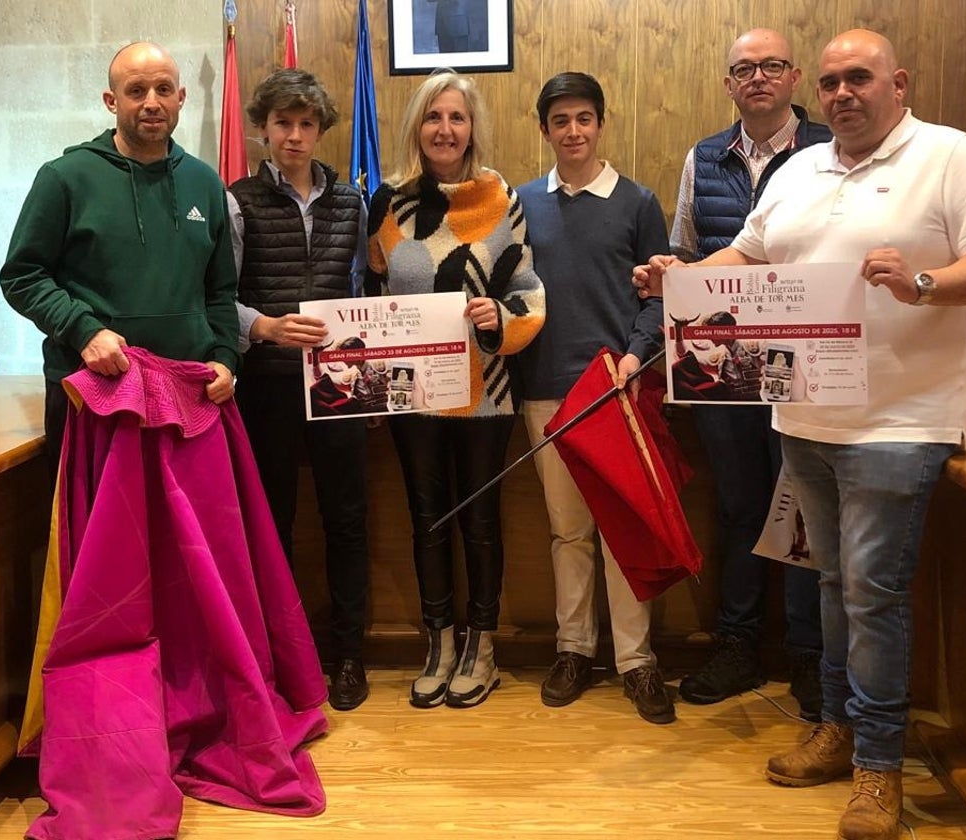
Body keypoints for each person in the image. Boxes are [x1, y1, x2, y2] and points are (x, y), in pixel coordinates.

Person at [634, 29, 966, 840]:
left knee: (874, 592)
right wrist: (683, 277)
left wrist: (923, 284)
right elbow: (745, 252)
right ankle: (837, 729)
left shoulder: (950, 155)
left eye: (860, 79)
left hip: (901, 418)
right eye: (835, 81)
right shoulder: (800, 169)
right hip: (803, 411)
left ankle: (878, 766)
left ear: (898, 84)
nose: (844, 93)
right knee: (835, 585)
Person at [365, 70, 545, 709]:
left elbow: (527, 290)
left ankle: (483, 644)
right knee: (425, 517)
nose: (445, 129)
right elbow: (373, 295)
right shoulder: (388, 202)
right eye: (433, 117)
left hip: (485, 392)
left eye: (457, 118)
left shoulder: (503, 200)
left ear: (473, 129)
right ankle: (439, 639)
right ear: (418, 126)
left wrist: (503, 316)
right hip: (413, 396)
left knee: (480, 520)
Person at [669, 28, 831, 722]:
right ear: (728, 84)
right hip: (724, 372)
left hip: (809, 367)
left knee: (806, 510)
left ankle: (808, 654)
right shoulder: (702, 158)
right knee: (738, 508)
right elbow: (686, 251)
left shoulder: (832, 152)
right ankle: (736, 643)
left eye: (770, 67)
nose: (757, 78)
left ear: (793, 76)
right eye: (743, 69)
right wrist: (668, 279)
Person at [515, 72, 675, 724]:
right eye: (561, 121)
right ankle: (574, 648)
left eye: (585, 118)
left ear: (600, 124)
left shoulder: (638, 202)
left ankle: (637, 661)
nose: (574, 131)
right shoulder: (521, 202)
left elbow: (660, 297)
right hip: (547, 390)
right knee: (568, 532)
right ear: (546, 129)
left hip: (619, 389)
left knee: (623, 531)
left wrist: (634, 357)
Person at [0, 41, 238, 467]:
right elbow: (22, 276)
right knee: (100, 532)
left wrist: (224, 358)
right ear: (111, 101)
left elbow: (219, 291)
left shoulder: (204, 182)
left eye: (164, 89)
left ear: (181, 98)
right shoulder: (64, 178)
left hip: (187, 395)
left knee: (181, 533)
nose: (152, 103)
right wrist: (83, 331)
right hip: (95, 391)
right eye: (136, 91)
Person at [227, 69, 372, 712]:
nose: (294, 135)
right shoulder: (237, 200)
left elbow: (363, 291)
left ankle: (349, 656)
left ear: (321, 130)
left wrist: (374, 384)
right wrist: (260, 326)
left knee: (347, 520)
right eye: (282, 123)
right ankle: (281, 660)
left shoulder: (352, 200)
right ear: (263, 128)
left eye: (306, 124)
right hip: (266, 385)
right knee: (273, 523)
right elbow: (218, 297)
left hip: (342, 383)